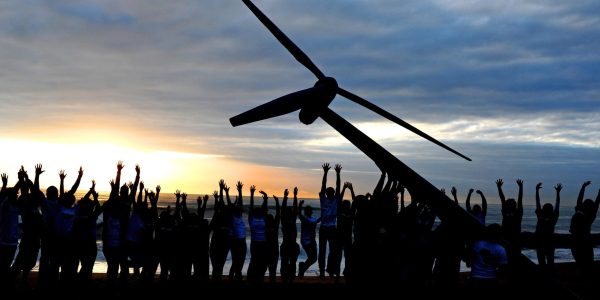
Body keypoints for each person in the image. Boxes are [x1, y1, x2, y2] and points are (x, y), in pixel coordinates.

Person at [570, 181, 599, 276]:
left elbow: (580, 200)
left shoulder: (581, 213)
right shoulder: (589, 217)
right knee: (587, 265)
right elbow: (596, 204)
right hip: (585, 243)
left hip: (577, 243)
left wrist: (583, 187)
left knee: (582, 265)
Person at [318, 163, 342, 279]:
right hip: (324, 227)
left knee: (333, 251)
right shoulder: (323, 199)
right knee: (322, 251)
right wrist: (325, 173)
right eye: (329, 192)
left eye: (331, 192)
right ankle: (322, 271)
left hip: (332, 227)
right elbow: (323, 185)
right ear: (327, 193)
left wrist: (337, 174)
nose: (331, 193)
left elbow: (338, 186)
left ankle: (330, 270)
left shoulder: (336, 199)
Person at [468, 223, 508, 289]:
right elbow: (503, 268)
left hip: (475, 277)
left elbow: (469, 260)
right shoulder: (501, 249)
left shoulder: (478, 244)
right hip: (491, 278)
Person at [534, 183, 561, 270]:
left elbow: (537, 202)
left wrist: (537, 190)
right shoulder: (554, 217)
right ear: (551, 210)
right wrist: (558, 192)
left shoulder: (540, 215)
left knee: (542, 263)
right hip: (549, 242)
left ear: (543, 209)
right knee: (550, 263)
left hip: (540, 241)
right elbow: (557, 204)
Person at [247, 189, 268, 283]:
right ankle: (250, 279)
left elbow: (264, 209)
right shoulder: (252, 219)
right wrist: (251, 194)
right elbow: (251, 208)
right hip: (255, 243)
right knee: (254, 261)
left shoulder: (263, 218)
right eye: (258, 211)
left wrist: (266, 198)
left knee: (262, 262)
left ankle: (260, 278)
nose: (260, 212)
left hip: (263, 243)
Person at [280, 187, 299, 284]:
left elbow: (294, 209)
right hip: (288, 245)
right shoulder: (286, 221)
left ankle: (290, 278)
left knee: (291, 263)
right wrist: (285, 197)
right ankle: (286, 278)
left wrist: (294, 196)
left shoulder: (290, 220)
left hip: (291, 245)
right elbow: (283, 210)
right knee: (286, 263)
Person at [496, 179, 523, 247]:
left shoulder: (516, 212)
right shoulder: (516, 212)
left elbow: (502, 198)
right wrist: (520, 187)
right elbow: (519, 200)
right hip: (508, 236)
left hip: (513, 237)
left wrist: (499, 187)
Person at [229, 181, 246, 282]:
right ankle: (234, 277)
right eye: (238, 209)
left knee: (241, 260)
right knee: (236, 260)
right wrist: (226, 193)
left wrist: (240, 191)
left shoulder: (239, 217)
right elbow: (237, 205)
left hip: (242, 241)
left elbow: (240, 203)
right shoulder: (232, 217)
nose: (240, 209)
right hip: (235, 241)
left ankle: (237, 276)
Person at [298, 200, 320, 279]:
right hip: (305, 241)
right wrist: (300, 205)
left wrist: (324, 215)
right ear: (306, 212)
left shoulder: (313, 219)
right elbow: (299, 214)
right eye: (308, 210)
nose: (309, 211)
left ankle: (302, 267)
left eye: (310, 210)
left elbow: (317, 221)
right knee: (312, 258)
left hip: (312, 241)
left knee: (313, 258)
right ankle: (302, 268)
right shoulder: (304, 218)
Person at [266, 192, 281, 283]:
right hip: (272, 250)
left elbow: (278, 214)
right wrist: (277, 201)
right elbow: (278, 213)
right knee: (272, 270)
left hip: (271, 250)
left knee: (272, 270)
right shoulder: (274, 226)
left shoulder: (270, 226)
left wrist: (276, 202)